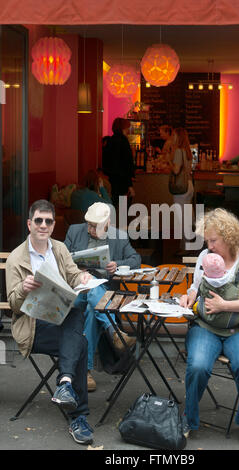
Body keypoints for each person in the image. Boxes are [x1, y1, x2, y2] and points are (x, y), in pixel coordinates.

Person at [5, 199, 94, 445]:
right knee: (80, 342)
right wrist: (23, 289)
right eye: (38, 220)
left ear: (54, 225)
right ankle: (78, 416)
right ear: (29, 224)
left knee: (75, 316)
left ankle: (65, 384)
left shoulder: (60, 249)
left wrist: (83, 277)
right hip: (33, 326)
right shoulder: (16, 259)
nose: (43, 225)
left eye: (48, 221)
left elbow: (73, 274)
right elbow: (13, 305)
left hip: (60, 318)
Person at [180, 208, 239, 446]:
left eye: (213, 240)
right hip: (206, 327)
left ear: (228, 237)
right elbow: (196, 287)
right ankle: (189, 417)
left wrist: (225, 305)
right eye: (207, 240)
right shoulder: (206, 256)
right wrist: (189, 297)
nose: (209, 246)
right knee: (197, 365)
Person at [64, 202, 141, 391]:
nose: (90, 230)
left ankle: (85, 371)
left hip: (103, 292)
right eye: (88, 225)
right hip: (77, 290)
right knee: (93, 294)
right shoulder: (74, 231)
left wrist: (117, 264)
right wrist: (75, 269)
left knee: (93, 308)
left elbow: (136, 259)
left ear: (107, 223)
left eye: (95, 226)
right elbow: (61, 258)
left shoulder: (119, 237)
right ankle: (114, 331)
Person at [197, 251, 239, 333]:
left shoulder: (205, 282)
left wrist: (222, 305)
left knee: (197, 305)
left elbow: (198, 291)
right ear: (224, 270)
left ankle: (194, 314)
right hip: (232, 321)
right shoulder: (232, 282)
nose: (210, 246)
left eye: (213, 240)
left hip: (207, 318)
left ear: (205, 272)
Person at [167, 127, 194, 254]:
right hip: (189, 185)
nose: (172, 137)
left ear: (178, 137)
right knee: (187, 217)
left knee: (182, 218)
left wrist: (169, 162)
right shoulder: (188, 151)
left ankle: (185, 248)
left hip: (181, 188)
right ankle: (189, 244)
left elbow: (176, 170)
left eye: (173, 135)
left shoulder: (178, 151)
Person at [102, 118, 135, 208]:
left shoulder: (110, 141)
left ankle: (115, 222)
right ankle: (122, 222)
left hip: (112, 180)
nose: (129, 129)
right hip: (123, 182)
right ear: (123, 128)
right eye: (128, 127)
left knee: (115, 206)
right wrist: (129, 185)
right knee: (124, 210)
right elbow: (127, 164)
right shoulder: (124, 141)